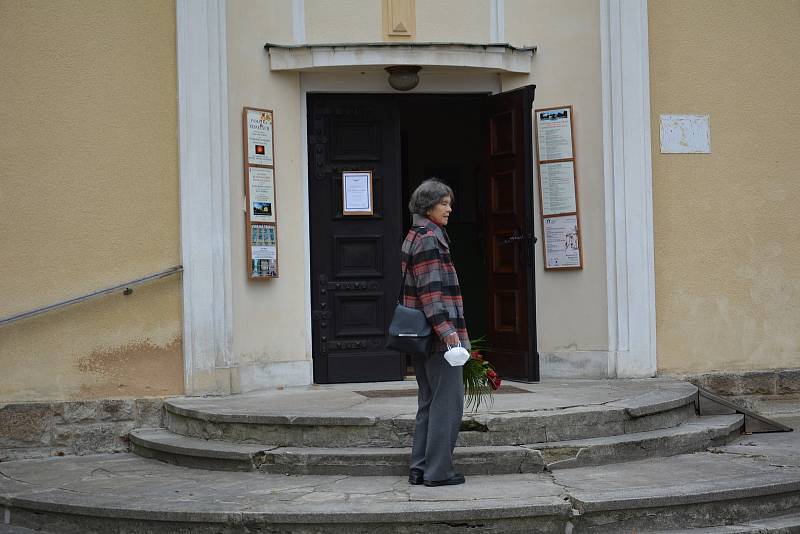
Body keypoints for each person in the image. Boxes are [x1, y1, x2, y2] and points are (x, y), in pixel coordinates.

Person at [402, 178, 470, 487]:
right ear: (428, 206)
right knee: (447, 404)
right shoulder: (430, 237)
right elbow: (431, 292)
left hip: (422, 338)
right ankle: (438, 471)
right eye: (444, 203)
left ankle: (419, 467)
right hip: (438, 338)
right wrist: (448, 332)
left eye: (449, 202)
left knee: (428, 402)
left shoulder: (416, 234)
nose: (449, 209)